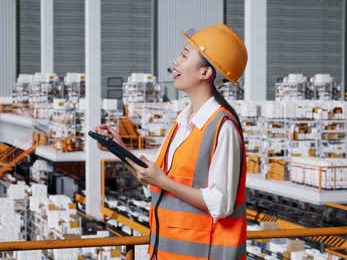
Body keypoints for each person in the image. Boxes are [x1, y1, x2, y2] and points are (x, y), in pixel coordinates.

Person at [95, 24, 248, 260]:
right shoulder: (182, 121)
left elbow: (220, 203)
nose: (175, 61)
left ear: (205, 73)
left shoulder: (222, 127)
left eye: (185, 55)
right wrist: (119, 148)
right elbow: (156, 182)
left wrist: (163, 180)